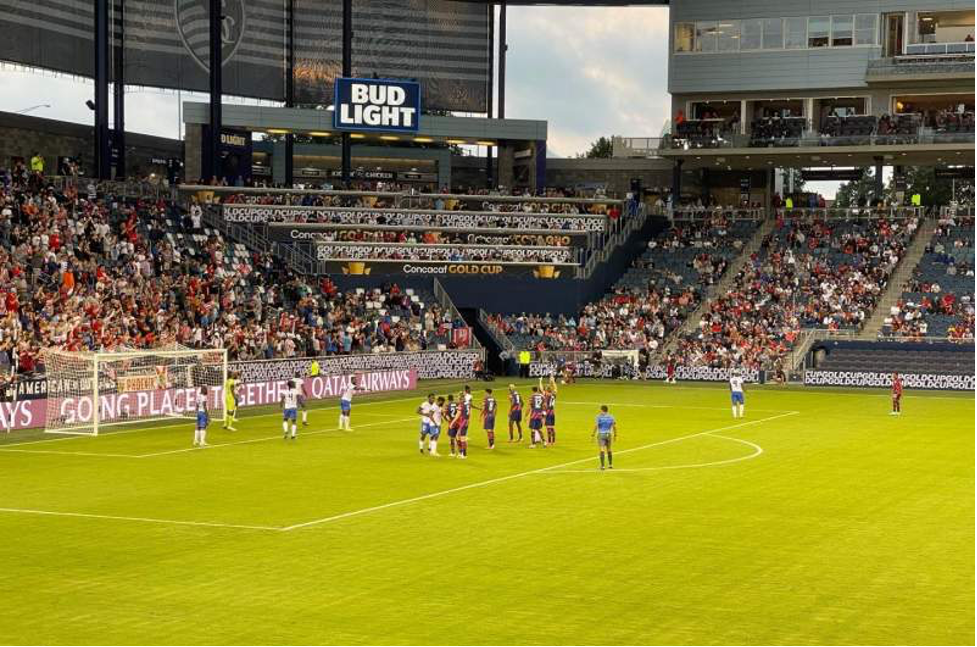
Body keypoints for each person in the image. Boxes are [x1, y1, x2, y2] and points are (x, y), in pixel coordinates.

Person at [591, 405, 617, 470]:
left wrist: (593, 434)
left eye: (600, 410)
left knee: (602, 449)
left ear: (602, 410)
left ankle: (602, 466)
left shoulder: (599, 417)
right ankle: (610, 465)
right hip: (609, 434)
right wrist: (615, 435)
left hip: (601, 434)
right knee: (609, 449)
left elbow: (596, 426)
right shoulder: (611, 417)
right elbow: (614, 426)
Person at [541, 375, 558, 446]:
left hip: (548, 412)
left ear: (546, 390)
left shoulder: (546, 394)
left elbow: (541, 389)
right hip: (552, 412)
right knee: (552, 427)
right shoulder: (553, 395)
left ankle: (549, 441)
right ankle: (553, 441)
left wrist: (540, 381)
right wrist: (553, 381)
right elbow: (556, 388)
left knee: (548, 427)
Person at [454, 394, 472, 459]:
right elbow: (469, 412)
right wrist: (468, 419)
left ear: (461, 399)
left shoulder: (462, 405)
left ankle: (464, 454)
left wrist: (452, 423)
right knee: (458, 437)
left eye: (459, 398)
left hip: (463, 422)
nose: (458, 400)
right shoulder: (467, 403)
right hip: (465, 421)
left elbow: (457, 415)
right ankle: (461, 453)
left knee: (462, 438)